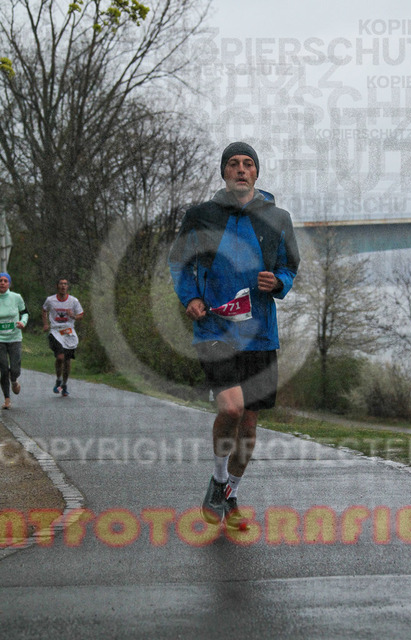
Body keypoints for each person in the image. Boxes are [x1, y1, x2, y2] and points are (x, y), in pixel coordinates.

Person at [169, 142, 300, 529]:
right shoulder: (201, 215)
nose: (241, 169)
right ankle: (218, 480)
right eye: (233, 164)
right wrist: (190, 297)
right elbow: (180, 261)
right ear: (224, 172)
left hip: (260, 334)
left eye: (248, 164)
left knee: (249, 427)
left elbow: (289, 265)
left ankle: (230, 494)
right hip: (215, 327)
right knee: (230, 409)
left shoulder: (278, 217)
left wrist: (279, 282)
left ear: (256, 172)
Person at [42, 278, 84, 397]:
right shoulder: (50, 300)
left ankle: (64, 385)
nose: (63, 286)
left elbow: (81, 314)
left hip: (68, 331)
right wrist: (45, 324)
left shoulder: (73, 301)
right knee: (60, 357)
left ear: (67, 287)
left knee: (67, 360)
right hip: (55, 331)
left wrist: (73, 316)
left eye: (65, 284)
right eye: (61, 284)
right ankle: (58, 379)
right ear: (57, 286)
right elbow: (44, 310)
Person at [0, 272, 29, 409]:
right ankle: (7, 399)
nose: (2, 283)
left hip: (15, 338)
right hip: (0, 339)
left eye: (5, 281)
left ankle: (14, 380)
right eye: (0, 281)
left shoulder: (16, 297)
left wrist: (23, 322)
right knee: (3, 369)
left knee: (15, 368)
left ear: (9, 284)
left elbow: (25, 313)